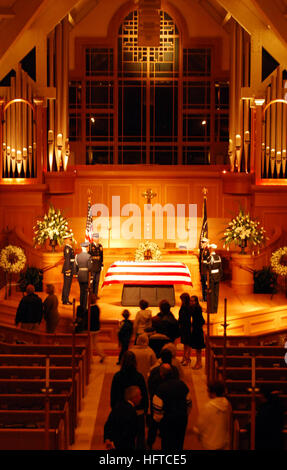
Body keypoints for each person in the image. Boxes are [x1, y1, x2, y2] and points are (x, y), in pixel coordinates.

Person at [110, 351, 148, 449]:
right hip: (137, 411)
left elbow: (113, 396)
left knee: (121, 436)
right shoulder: (139, 377)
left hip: (120, 411)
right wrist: (145, 409)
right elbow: (144, 394)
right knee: (139, 437)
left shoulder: (117, 377)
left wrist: (114, 409)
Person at [152, 363, 192, 451]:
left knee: (167, 444)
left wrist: (158, 422)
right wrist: (185, 414)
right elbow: (189, 403)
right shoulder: (182, 385)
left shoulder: (160, 389)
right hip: (181, 418)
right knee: (179, 442)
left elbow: (157, 410)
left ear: (161, 374)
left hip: (167, 421)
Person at [147, 350, 179, 449]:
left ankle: (149, 443)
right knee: (168, 426)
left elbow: (150, 385)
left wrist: (153, 397)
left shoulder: (155, 371)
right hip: (171, 403)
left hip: (156, 402)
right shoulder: (174, 370)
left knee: (154, 424)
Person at [193, 380, 232, 450]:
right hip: (223, 441)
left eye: (208, 391)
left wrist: (197, 432)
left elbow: (201, 424)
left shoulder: (208, 407)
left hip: (210, 442)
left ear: (213, 393)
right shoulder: (227, 405)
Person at [104, 385, 142, 450]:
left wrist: (107, 439)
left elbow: (108, 424)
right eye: (139, 395)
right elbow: (132, 432)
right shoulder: (132, 412)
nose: (141, 397)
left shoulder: (117, 406)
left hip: (113, 445)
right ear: (134, 398)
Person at [206, 244, 223, 314]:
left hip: (212, 278)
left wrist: (208, 279)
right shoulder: (218, 257)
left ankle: (211, 310)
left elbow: (208, 269)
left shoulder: (209, 258)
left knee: (211, 294)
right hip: (217, 277)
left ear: (210, 249)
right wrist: (219, 277)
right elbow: (221, 269)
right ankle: (215, 309)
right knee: (216, 294)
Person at [75, 242, 92, 310]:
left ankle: (81, 305)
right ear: (85, 248)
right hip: (85, 275)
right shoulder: (88, 256)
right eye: (87, 247)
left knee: (81, 291)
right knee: (85, 292)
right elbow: (90, 267)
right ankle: (84, 307)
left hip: (79, 275)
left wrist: (77, 274)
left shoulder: (77, 256)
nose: (88, 248)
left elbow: (75, 266)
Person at [190, 295, 205, 369]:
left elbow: (200, 320)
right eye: (191, 301)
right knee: (197, 349)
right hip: (197, 329)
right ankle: (198, 363)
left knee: (198, 349)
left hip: (198, 330)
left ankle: (199, 363)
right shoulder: (195, 308)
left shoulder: (197, 309)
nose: (191, 302)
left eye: (193, 301)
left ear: (196, 301)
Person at [178, 292, 193, 366]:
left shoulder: (188, 307)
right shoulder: (183, 306)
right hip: (183, 327)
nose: (181, 301)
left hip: (187, 326)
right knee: (185, 344)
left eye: (182, 299)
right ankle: (184, 357)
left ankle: (187, 359)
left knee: (188, 343)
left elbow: (186, 317)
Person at [61, 233, 75, 305]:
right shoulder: (67, 248)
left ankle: (64, 298)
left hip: (70, 268)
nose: (71, 241)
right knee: (67, 285)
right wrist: (68, 270)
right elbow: (67, 260)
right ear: (66, 240)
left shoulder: (69, 248)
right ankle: (65, 300)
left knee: (67, 285)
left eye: (71, 239)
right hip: (68, 269)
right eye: (69, 239)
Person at [89, 233, 103, 298]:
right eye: (96, 238)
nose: (97, 239)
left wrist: (102, 264)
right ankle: (91, 295)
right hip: (92, 266)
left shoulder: (100, 246)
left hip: (98, 266)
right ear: (93, 239)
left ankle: (96, 294)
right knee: (92, 282)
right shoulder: (90, 246)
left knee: (97, 281)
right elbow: (89, 256)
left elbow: (101, 256)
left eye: (98, 238)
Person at [199, 237, 210, 302]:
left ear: (206, 243)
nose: (202, 244)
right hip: (203, 271)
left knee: (205, 285)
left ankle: (205, 298)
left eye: (203, 242)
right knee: (203, 285)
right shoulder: (203, 250)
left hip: (205, 271)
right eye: (202, 242)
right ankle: (204, 297)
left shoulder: (207, 251)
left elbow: (206, 261)